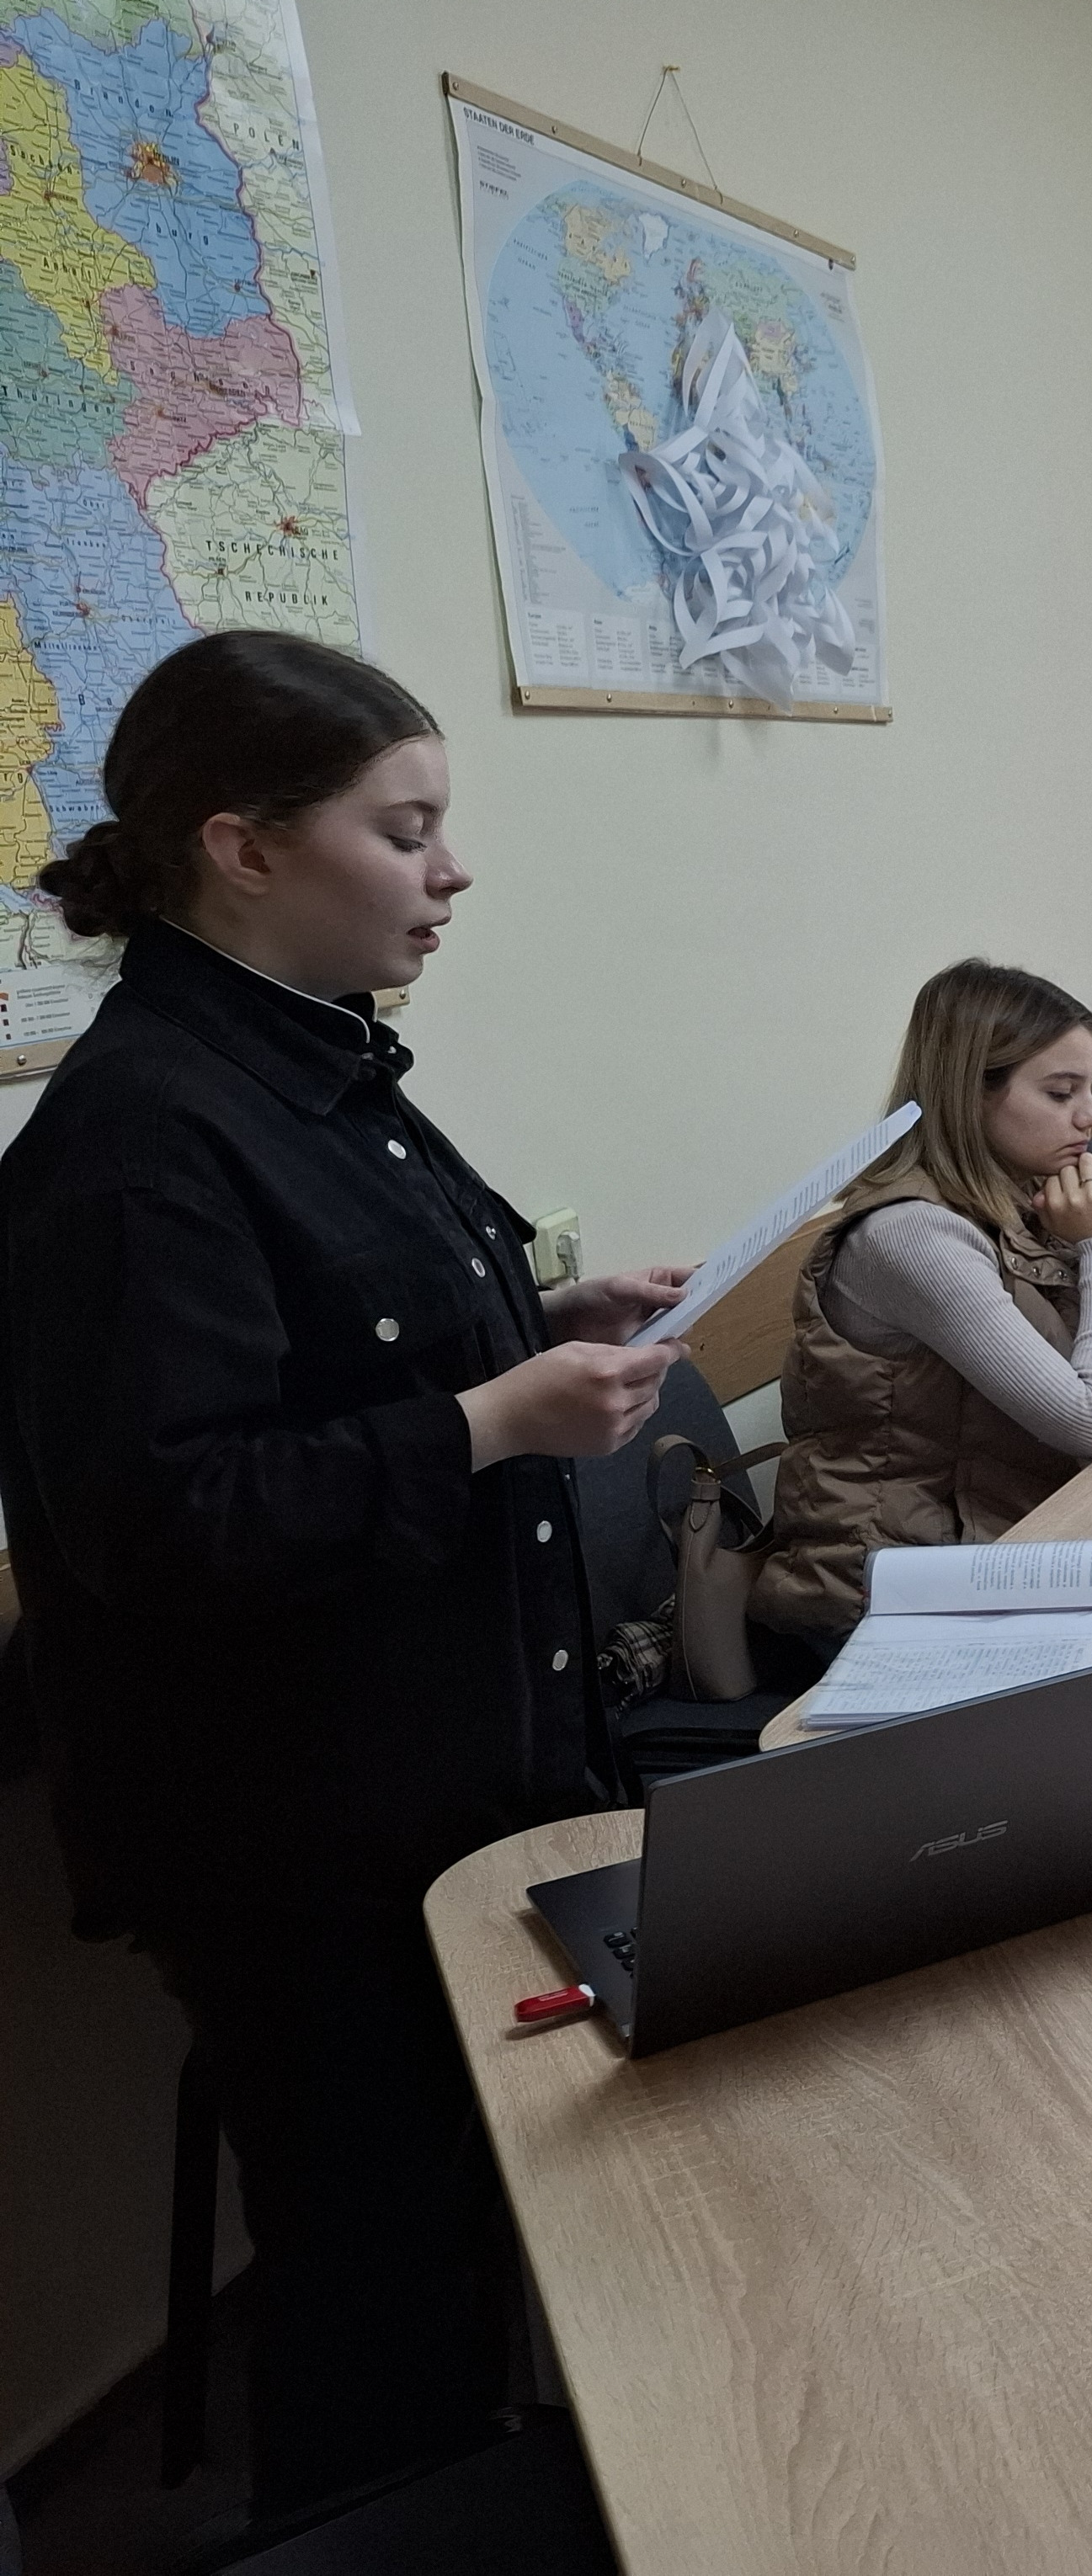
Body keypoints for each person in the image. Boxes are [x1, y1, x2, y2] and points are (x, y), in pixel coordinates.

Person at [0, 632, 692, 2515]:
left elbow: (337, 1357)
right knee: (380, 2291)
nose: (450, 872)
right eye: (404, 832)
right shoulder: (139, 1141)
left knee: (471, 2244)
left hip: (454, 1789)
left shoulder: (318, 1068)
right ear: (241, 847)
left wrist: (535, 1325)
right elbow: (167, 1518)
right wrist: (488, 1419)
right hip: (309, 1837)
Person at [753, 960, 1092, 1644]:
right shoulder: (909, 1234)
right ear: (969, 1093)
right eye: (1061, 1092)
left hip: (1007, 1543)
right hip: (885, 1589)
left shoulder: (1030, 1192)